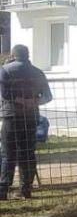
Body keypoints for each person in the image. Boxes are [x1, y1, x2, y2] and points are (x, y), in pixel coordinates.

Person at [0, 45, 52, 201]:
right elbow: (48, 96)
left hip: (11, 116)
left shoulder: (5, 70)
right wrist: (34, 101)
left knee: (8, 154)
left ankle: (3, 190)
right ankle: (26, 189)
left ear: (13, 54)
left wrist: (20, 101)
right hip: (30, 118)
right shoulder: (38, 72)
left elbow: (4, 93)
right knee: (28, 153)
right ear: (28, 55)